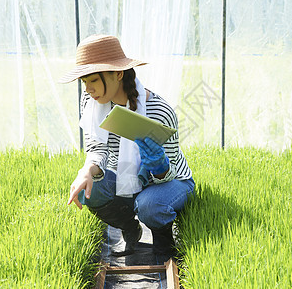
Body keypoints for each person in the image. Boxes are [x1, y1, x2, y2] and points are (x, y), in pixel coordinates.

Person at [59, 35, 194, 259]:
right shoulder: (92, 102)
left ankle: (163, 240)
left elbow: (168, 173)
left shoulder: (159, 111)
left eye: (93, 80)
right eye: (84, 82)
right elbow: (97, 147)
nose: (89, 89)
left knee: (149, 204)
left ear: (118, 74)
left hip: (172, 181)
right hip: (124, 177)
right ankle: (129, 228)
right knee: (88, 188)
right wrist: (87, 170)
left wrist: (158, 165)